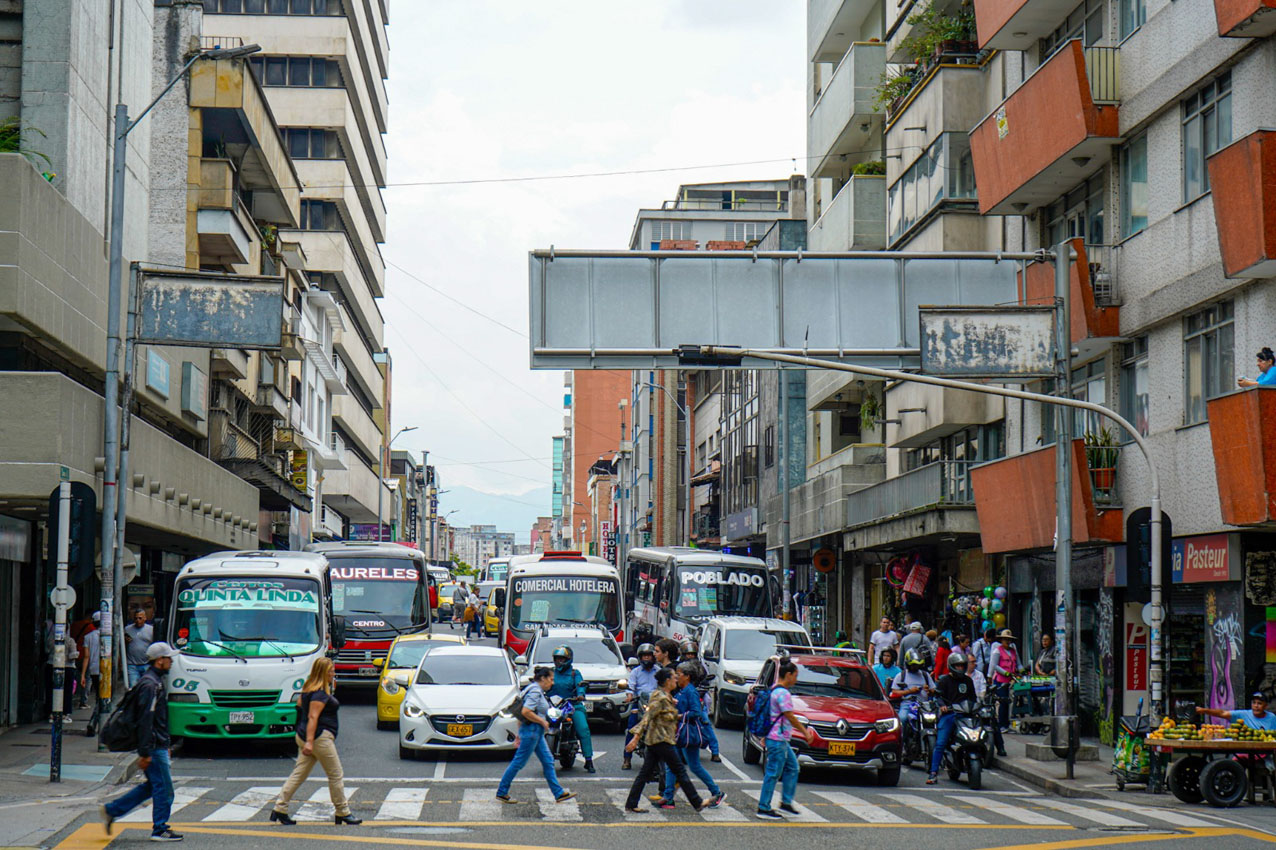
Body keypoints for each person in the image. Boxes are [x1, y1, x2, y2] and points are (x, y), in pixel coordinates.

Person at [101, 642, 183, 842]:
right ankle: (160, 829)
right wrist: (146, 752)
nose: (171, 661)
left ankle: (113, 810)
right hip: (154, 746)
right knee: (163, 788)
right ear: (159, 660)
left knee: (153, 785)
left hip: (157, 744)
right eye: (169, 658)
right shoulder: (150, 685)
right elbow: (146, 719)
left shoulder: (153, 681)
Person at [271, 657, 361, 826]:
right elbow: (313, 716)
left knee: (299, 774)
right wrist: (310, 741)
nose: (333, 673)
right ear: (323, 673)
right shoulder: (319, 693)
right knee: (335, 774)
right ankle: (342, 811)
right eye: (331, 671)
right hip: (319, 738)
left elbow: (299, 708)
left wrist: (302, 733)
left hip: (306, 735)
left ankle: (280, 808)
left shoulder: (307, 688)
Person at [623, 667, 710, 813]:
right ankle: (697, 802)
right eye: (674, 677)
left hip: (657, 741)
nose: (676, 680)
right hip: (661, 740)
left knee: (645, 773)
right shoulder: (660, 698)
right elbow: (647, 718)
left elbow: (664, 716)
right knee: (680, 771)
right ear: (667, 681)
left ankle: (631, 803)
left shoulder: (666, 697)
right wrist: (635, 738)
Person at [496, 666, 576, 804]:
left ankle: (558, 793)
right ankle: (502, 792)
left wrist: (518, 733)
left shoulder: (531, 688)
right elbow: (526, 711)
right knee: (518, 762)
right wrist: (543, 722)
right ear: (543, 678)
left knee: (548, 761)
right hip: (532, 731)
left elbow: (521, 713)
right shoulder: (535, 691)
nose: (552, 683)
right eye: (551, 679)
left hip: (533, 732)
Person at [656, 662, 726, 809]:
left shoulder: (690, 691)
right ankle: (668, 797)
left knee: (694, 766)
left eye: (679, 674)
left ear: (687, 676)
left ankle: (716, 791)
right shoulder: (681, 691)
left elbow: (696, 712)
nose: (676, 677)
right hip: (679, 733)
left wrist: (679, 716)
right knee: (672, 765)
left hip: (688, 734)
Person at [755, 661, 813, 820]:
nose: (796, 679)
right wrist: (805, 732)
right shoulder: (783, 693)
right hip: (777, 739)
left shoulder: (774, 689)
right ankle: (763, 807)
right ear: (788, 675)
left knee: (793, 767)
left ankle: (786, 802)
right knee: (773, 773)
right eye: (795, 675)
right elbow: (790, 715)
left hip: (778, 738)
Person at [927, 652, 978, 784]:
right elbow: (938, 697)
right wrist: (943, 706)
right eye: (958, 666)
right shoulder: (944, 681)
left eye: (962, 665)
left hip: (966, 715)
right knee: (940, 743)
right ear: (951, 666)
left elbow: (973, 699)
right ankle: (933, 773)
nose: (960, 668)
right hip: (950, 715)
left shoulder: (968, 681)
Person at [548, 645, 595, 773]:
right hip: (555, 706)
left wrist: (580, 694)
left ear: (568, 660)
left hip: (572, 705)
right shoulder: (551, 673)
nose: (559, 662)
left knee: (583, 728)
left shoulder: (575, 673)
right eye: (557, 659)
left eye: (562, 659)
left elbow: (580, 685)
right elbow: (545, 685)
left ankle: (589, 760)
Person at [678, 640, 720, 762]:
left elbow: (705, 683)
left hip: (698, 700)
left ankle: (715, 752)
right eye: (687, 654)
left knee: (705, 723)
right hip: (682, 700)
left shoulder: (701, 667)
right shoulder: (678, 667)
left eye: (692, 654)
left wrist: (697, 695)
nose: (690, 657)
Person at [623, 643, 660, 770]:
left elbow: (664, 686)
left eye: (649, 656)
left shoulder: (659, 671)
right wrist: (629, 696)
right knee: (631, 728)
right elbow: (630, 687)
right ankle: (627, 758)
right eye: (644, 656)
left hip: (655, 703)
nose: (646, 659)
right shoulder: (635, 672)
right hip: (639, 703)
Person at [890, 648, 936, 745]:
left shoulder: (925, 675)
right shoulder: (901, 675)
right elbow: (894, 692)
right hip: (908, 704)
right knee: (902, 718)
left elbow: (933, 690)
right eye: (914, 665)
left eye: (917, 665)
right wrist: (909, 691)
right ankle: (902, 744)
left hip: (924, 706)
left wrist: (929, 691)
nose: (915, 667)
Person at [988, 629, 1019, 756]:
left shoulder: (1013, 651)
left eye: (1009, 640)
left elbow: (1018, 663)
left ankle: (1006, 723)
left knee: (1008, 702)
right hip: (1000, 680)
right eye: (1006, 639)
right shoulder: (997, 650)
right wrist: (1001, 673)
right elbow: (994, 665)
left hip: (1010, 679)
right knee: (1002, 701)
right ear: (1001, 640)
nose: (1008, 642)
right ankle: (1001, 724)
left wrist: (1021, 670)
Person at [1198, 693, 1276, 730]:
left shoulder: (1272, 717)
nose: (1256, 706)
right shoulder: (1244, 714)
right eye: (1254, 703)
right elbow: (1223, 713)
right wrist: (1204, 710)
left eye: (1259, 703)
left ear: (1265, 706)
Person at [79, 613, 102, 725]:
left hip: (93, 670)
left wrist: (83, 674)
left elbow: (86, 657)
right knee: (103, 698)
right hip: (106, 670)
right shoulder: (109, 636)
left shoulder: (88, 637)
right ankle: (94, 722)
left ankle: (96, 721)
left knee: (99, 696)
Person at [124, 609, 154, 688]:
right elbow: (123, 645)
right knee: (133, 688)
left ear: (145, 618)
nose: (138, 620)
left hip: (146, 664)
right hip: (132, 665)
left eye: (140, 618)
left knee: (146, 687)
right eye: (136, 618)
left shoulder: (151, 630)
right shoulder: (127, 630)